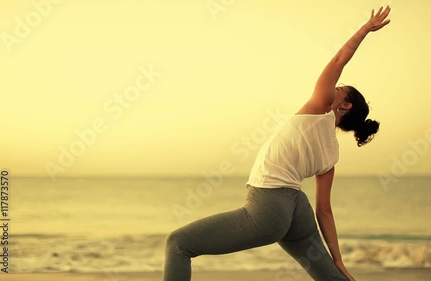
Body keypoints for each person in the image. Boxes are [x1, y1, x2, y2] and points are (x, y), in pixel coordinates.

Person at [163, 6, 391, 281]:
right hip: (296, 208)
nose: (333, 87)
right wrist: (338, 261)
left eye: (339, 89)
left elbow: (339, 58)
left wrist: (365, 29)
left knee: (178, 243)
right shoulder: (332, 153)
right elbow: (324, 211)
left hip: (268, 207)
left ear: (344, 105)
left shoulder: (319, 108)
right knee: (332, 278)